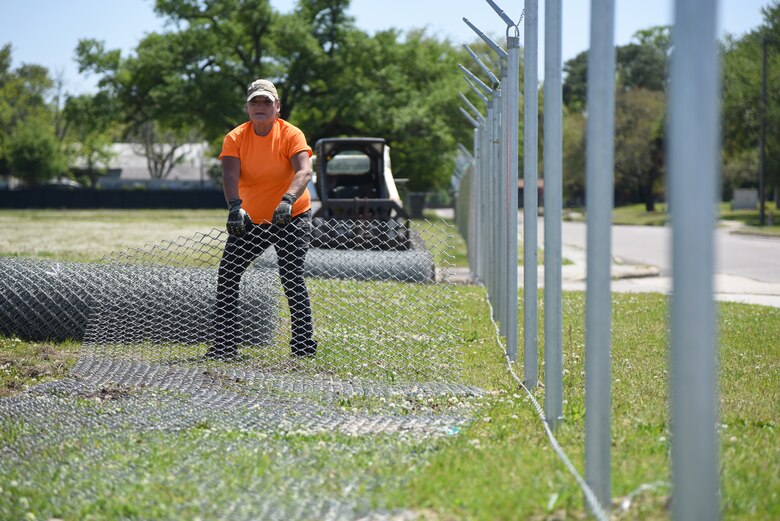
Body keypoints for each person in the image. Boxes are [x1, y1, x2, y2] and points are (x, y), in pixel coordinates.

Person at [208, 78, 317, 360]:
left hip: (290, 217)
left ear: (277, 107)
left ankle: (303, 346)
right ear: (247, 107)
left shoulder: (292, 134)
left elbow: (303, 172)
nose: (260, 106)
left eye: (266, 102)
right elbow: (230, 175)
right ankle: (224, 346)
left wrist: (287, 201)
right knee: (228, 275)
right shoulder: (235, 137)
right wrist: (234, 207)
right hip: (250, 220)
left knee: (291, 276)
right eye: (255, 101)